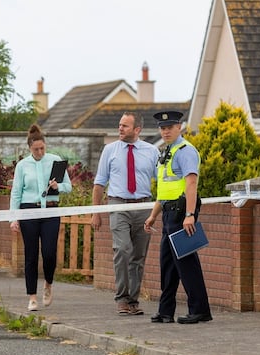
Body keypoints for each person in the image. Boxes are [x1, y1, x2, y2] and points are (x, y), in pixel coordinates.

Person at [144, 111, 212, 324]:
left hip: (182, 212)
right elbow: (164, 190)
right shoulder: (167, 152)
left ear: (179, 127)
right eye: (162, 128)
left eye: (170, 127)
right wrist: (153, 215)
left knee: (186, 262)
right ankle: (166, 311)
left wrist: (190, 215)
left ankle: (200, 310)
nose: (165, 131)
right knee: (168, 264)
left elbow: (191, 183)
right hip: (169, 213)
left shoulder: (185, 151)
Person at [91, 112, 159, 316]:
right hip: (118, 205)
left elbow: (163, 180)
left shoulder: (151, 151)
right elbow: (99, 183)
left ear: (137, 129)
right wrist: (96, 212)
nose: (120, 129)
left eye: (125, 126)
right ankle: (121, 298)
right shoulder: (109, 150)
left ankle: (133, 300)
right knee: (122, 249)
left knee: (138, 255)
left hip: (143, 206)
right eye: (119, 125)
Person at [10, 124, 72, 312]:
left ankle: (48, 284)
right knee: (30, 255)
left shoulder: (55, 161)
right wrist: (14, 217)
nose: (40, 152)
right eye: (36, 149)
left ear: (45, 145)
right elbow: (16, 193)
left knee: (49, 252)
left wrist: (57, 187)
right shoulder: (22, 166)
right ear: (29, 148)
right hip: (28, 211)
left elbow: (68, 187)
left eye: (42, 148)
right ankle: (32, 297)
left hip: (50, 211)